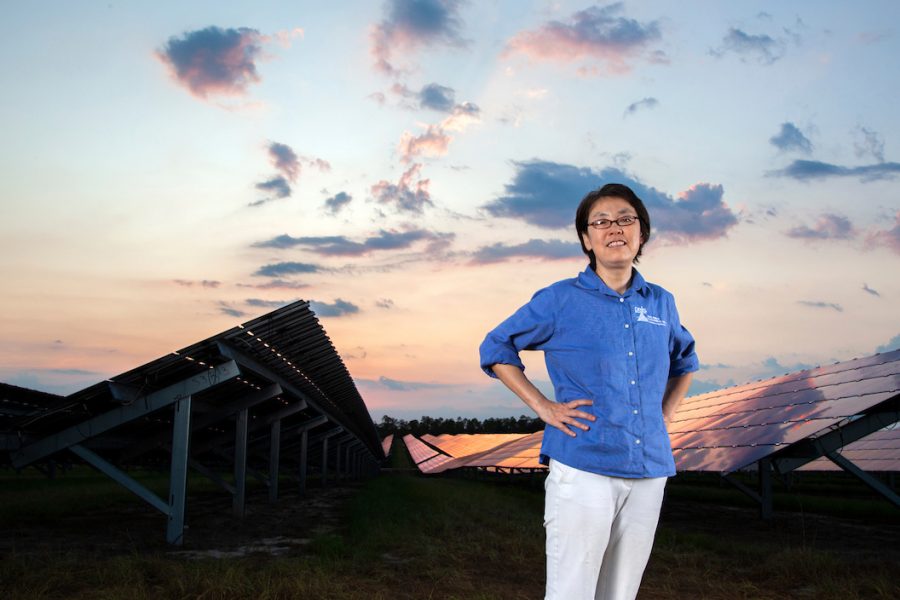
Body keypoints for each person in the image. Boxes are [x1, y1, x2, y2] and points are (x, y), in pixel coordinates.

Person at [479, 183, 698, 600]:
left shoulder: (661, 303)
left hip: (650, 469)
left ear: (642, 233)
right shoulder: (561, 299)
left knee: (620, 594)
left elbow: (685, 360)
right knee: (572, 593)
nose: (614, 228)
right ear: (586, 239)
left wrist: (664, 415)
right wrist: (542, 406)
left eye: (625, 219)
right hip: (583, 465)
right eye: (600, 222)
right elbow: (496, 347)